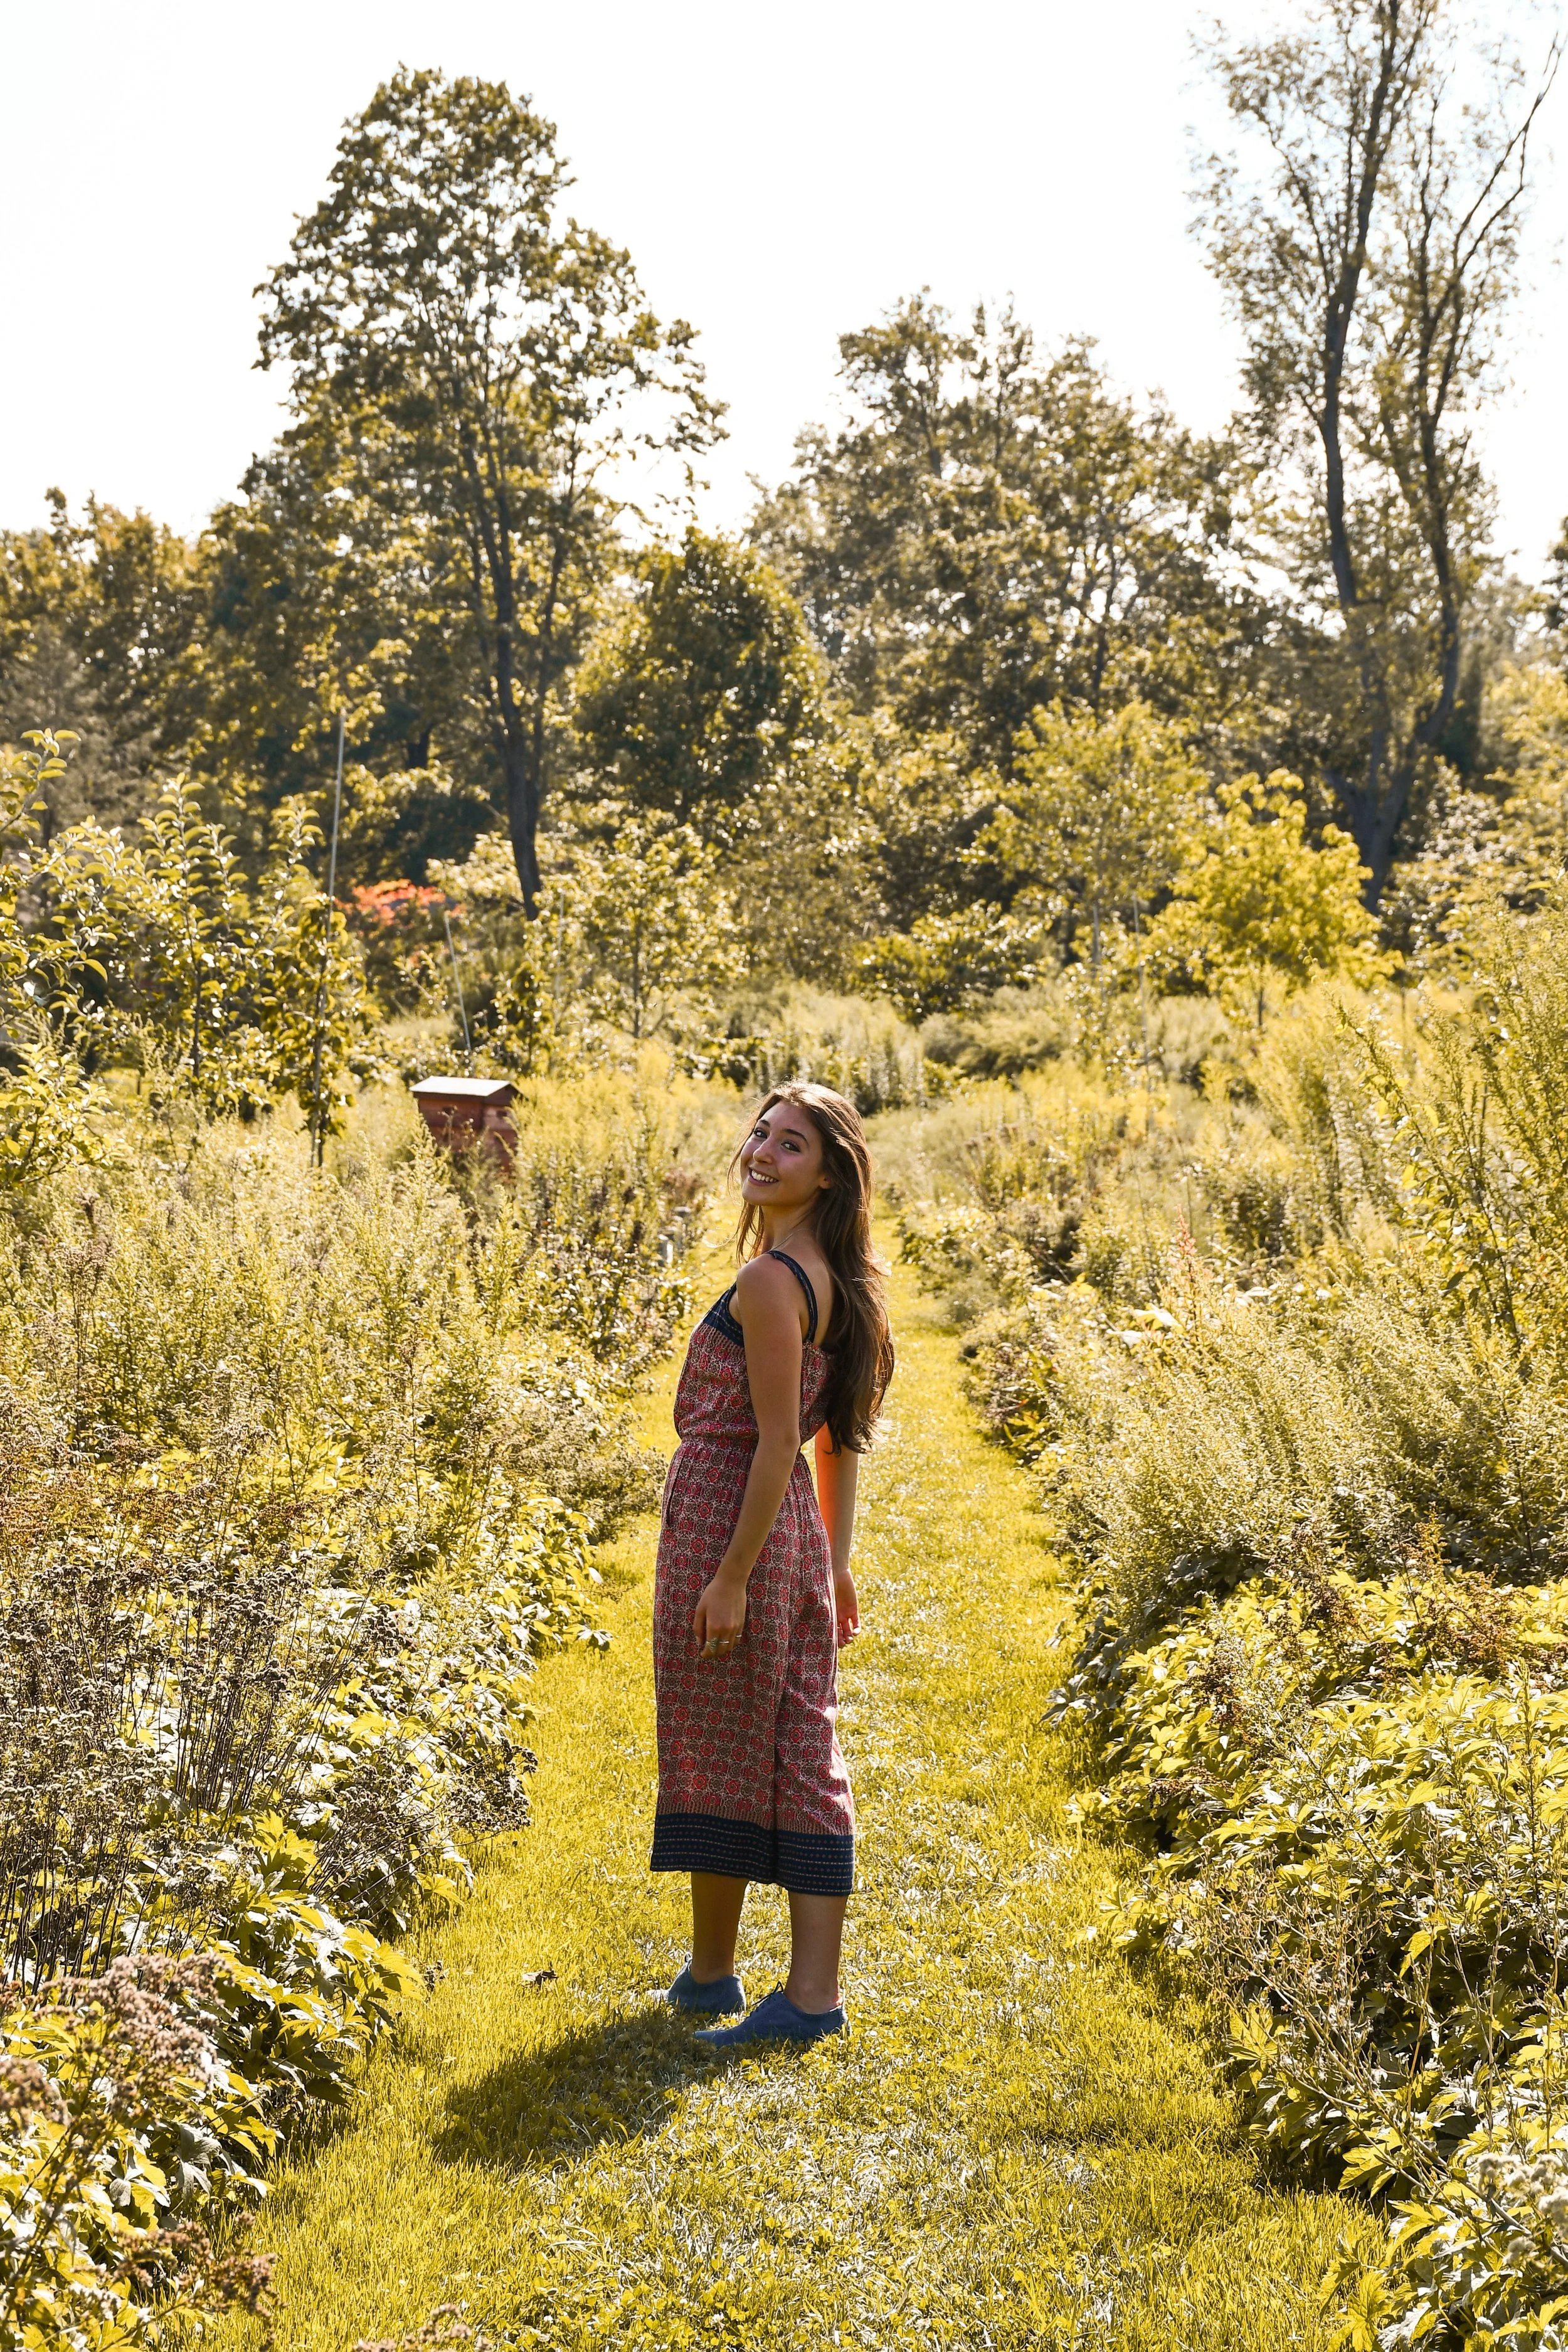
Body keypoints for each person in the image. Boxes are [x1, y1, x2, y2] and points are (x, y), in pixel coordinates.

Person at [651, 1082, 894, 2048]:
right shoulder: (838, 1273)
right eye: (760, 1132)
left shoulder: (768, 1281)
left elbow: (776, 1435)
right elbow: (832, 1445)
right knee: (795, 1736)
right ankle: (742, 1978)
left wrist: (733, 1575)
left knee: (723, 1736)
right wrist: (831, 1562)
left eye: (790, 1143)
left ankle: (773, 1986)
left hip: (731, 1519)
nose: (762, 1150)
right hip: (785, 1521)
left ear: (827, 1171)